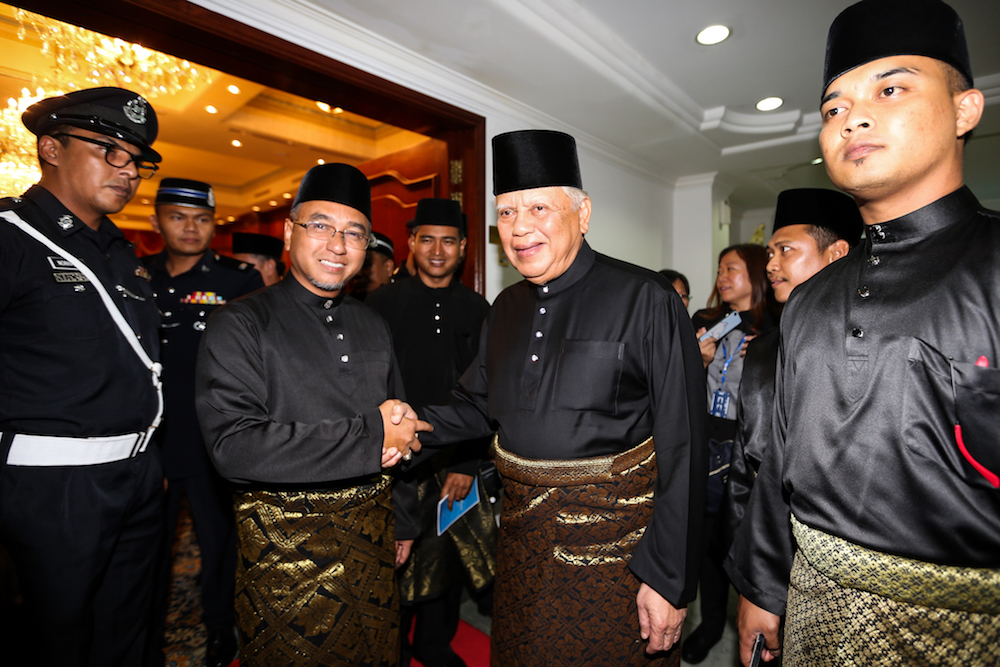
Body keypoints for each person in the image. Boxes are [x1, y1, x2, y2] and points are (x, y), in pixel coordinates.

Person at [726, 1, 999, 665]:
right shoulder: (812, 300)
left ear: (966, 109)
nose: (854, 116)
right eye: (832, 107)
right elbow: (777, 461)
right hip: (813, 605)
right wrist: (762, 584)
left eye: (891, 88)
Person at [419, 129, 707, 666]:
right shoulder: (503, 308)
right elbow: (475, 405)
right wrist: (405, 425)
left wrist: (669, 580)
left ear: (584, 212)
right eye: (505, 213)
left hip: (619, 555)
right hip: (524, 546)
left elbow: (684, 443)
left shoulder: (647, 299)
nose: (520, 227)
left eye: (537, 208)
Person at [194, 162, 429, 666]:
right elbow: (235, 448)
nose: (337, 245)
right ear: (289, 231)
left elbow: (403, 428)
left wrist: (405, 523)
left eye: (354, 233)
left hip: (373, 539)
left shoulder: (373, 324)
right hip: (285, 553)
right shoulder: (238, 325)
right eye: (321, 226)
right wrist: (370, 433)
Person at [0, 86, 165, 665]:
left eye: (137, 160)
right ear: (50, 148)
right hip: (54, 485)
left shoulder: (122, 253)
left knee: (126, 630)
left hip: (138, 474)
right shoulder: (11, 237)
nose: (128, 171)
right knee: (56, 639)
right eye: (107, 150)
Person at [367, 198, 496, 667]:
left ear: (463, 248)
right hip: (395, 462)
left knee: (447, 561)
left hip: (455, 462)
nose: (437, 250)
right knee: (396, 561)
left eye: (448, 240)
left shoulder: (481, 309)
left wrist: (465, 465)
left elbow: (488, 397)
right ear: (411, 244)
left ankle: (434, 645)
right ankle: (394, 648)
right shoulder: (381, 305)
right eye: (427, 239)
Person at [142, 178, 264, 667]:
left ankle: (220, 630)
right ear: (157, 222)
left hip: (215, 443)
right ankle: (145, 635)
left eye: (202, 219)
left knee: (220, 546)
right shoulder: (133, 275)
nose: (191, 228)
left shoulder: (239, 281)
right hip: (152, 443)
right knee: (147, 548)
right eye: (178, 216)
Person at [723, 189, 862, 552]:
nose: (771, 264)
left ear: (837, 254)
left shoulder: (869, 345)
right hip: (764, 540)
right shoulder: (763, 348)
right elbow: (744, 464)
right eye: (770, 253)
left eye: (785, 250)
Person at [683, 244, 776, 664]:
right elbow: (675, 388)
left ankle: (756, 622)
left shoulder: (776, 327)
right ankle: (710, 624)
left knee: (739, 543)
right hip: (704, 444)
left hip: (747, 454)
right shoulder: (703, 322)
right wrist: (696, 361)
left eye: (732, 269)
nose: (722, 277)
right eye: (720, 269)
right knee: (704, 542)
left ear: (755, 275)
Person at [351, 230, 395, 300]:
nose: (358, 273)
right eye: (354, 265)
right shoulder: (344, 304)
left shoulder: (405, 300)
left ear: (388, 267)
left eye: (366, 265)